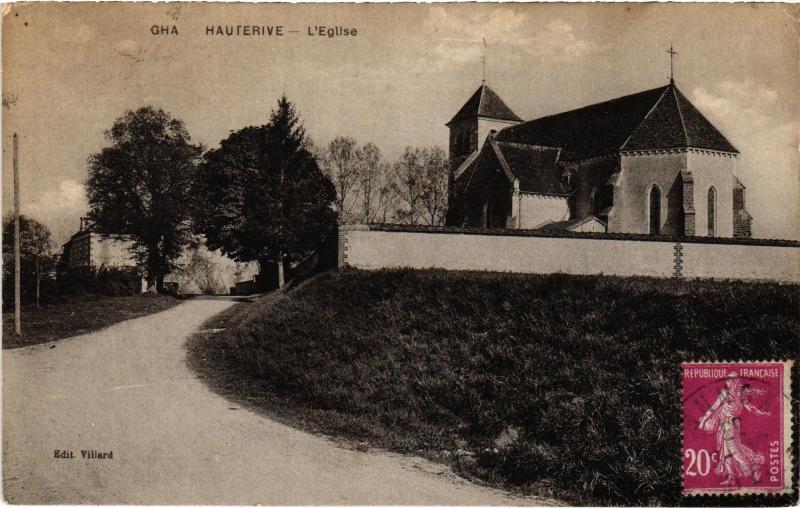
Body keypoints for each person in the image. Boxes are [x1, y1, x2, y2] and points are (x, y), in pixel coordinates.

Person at [698, 373, 768, 486]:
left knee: (733, 449)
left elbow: (713, 409)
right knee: (726, 450)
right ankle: (731, 477)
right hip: (732, 424)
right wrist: (762, 413)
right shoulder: (739, 395)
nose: (727, 382)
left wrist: (703, 421)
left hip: (728, 424)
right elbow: (750, 408)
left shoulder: (726, 394)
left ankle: (754, 467)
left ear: (732, 382)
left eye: (729, 380)